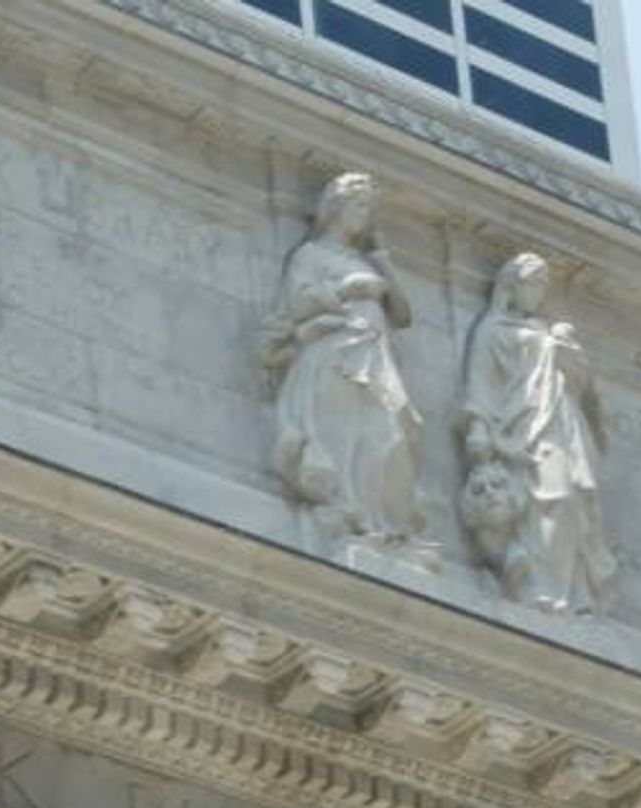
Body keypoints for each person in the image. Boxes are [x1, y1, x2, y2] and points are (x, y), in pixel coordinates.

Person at [261, 174, 431, 567]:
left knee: (391, 433)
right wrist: (346, 291)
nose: (364, 215)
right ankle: (349, 517)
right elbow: (298, 302)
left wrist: (384, 266)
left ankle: (384, 522)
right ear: (336, 208)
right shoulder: (312, 254)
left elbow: (403, 314)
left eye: (369, 208)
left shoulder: (367, 260)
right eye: (359, 206)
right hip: (333, 355)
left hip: (375, 357)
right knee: (341, 436)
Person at [458, 251, 615, 613]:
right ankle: (534, 587)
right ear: (511, 287)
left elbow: (586, 387)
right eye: (531, 282)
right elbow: (478, 385)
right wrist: (478, 430)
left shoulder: (548, 333)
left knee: (568, 499)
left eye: (543, 285)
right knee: (541, 502)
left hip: (561, 423)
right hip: (517, 430)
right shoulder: (492, 330)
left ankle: (572, 596)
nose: (537, 291)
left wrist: (570, 358)